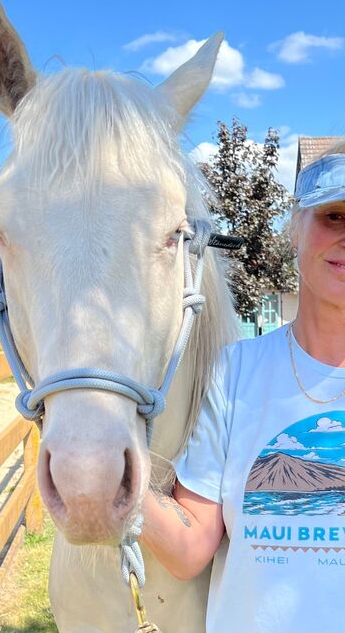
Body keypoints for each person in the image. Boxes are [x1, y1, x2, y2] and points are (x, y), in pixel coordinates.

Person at [141, 144, 345, 633]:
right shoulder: (235, 372)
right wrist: (112, 475)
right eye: (334, 216)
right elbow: (190, 550)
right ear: (294, 229)